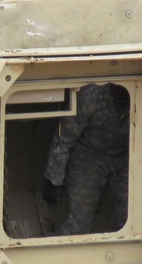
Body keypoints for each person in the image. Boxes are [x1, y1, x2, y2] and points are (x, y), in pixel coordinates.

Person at [43, 82, 130, 236]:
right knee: (80, 222)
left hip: (127, 156)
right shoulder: (90, 97)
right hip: (88, 157)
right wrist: (54, 180)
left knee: (134, 218)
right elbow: (63, 138)